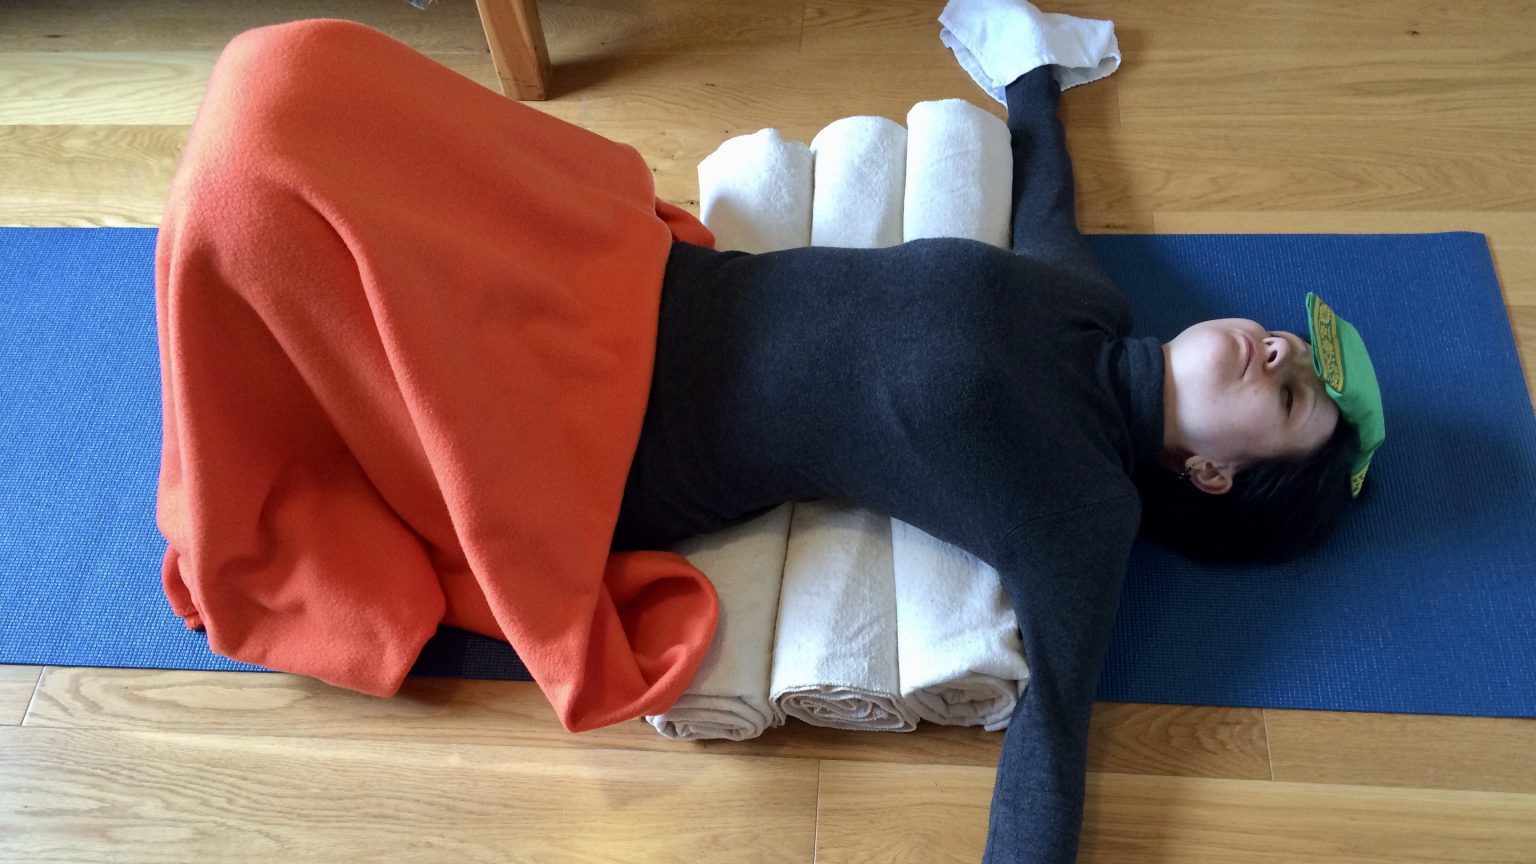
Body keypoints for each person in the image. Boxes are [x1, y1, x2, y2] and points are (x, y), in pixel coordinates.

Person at [153, 13, 1385, 864]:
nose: (1278, 350)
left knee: (257, 179)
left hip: (614, 435)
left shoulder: (1083, 511)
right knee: (301, 68)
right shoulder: (1091, 304)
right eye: (1294, 349)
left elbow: (1055, 742)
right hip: (614, 286)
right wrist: (1029, 71)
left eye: (1288, 400)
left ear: (1211, 475)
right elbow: (1050, 188)